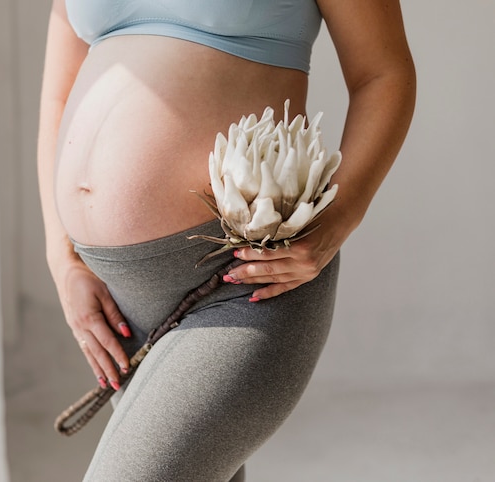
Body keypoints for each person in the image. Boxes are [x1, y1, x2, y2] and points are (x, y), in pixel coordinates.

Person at [37, 0, 416, 480]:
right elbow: (58, 95)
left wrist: (335, 223)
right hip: (116, 299)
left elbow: (383, 74)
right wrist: (62, 257)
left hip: (244, 280)